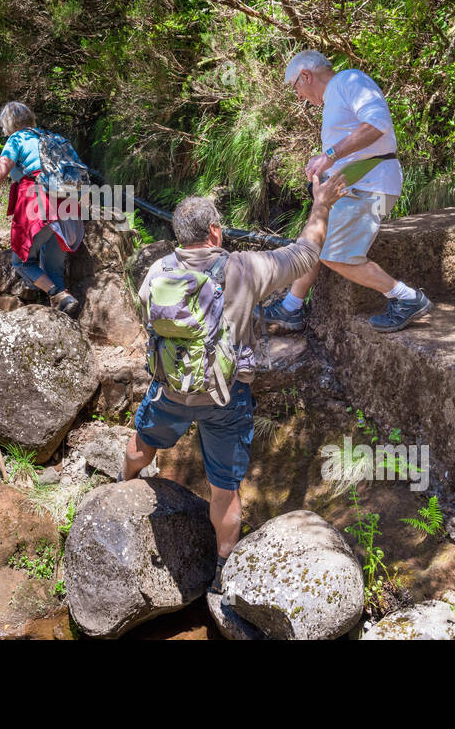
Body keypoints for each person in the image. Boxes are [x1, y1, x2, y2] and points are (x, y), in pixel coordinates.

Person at [121, 172, 347, 594]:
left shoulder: (155, 271)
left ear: (178, 235)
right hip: (226, 396)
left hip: (170, 389)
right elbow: (304, 254)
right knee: (224, 489)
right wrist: (322, 203)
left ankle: (124, 490)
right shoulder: (241, 269)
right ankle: (223, 575)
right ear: (215, 231)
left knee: (142, 442)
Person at [256, 50, 431, 333]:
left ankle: (407, 298)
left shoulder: (350, 80)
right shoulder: (336, 95)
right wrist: (324, 164)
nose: (298, 96)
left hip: (370, 186)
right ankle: (291, 307)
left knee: (336, 255)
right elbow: (351, 145)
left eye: (295, 88)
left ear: (306, 76)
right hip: (354, 185)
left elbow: (378, 125)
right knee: (312, 240)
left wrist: (330, 155)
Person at [0, 101, 83, 316]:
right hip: (68, 205)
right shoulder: (52, 138)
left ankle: (58, 295)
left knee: (21, 261)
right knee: (53, 269)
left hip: (39, 204)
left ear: (8, 124)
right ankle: (63, 313)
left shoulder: (18, 139)